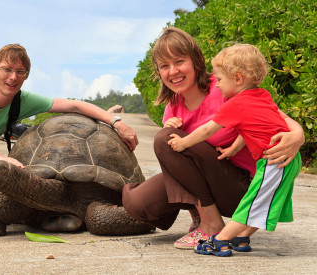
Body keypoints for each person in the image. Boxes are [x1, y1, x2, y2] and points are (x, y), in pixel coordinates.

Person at [0, 43, 139, 232]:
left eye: (20, 72)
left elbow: (74, 105)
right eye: (7, 69)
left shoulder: (20, 100)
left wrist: (116, 122)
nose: (13, 77)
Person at [121, 27, 304, 250]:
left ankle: (211, 225)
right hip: (209, 181)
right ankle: (199, 216)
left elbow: (277, 117)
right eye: (164, 66)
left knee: (165, 139)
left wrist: (297, 135)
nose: (173, 71)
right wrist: (172, 129)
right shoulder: (173, 108)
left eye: (179, 61)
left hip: (241, 188)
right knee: (138, 203)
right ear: (159, 72)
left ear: (196, 60)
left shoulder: (226, 86)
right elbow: (180, 163)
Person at [168, 43, 301, 256]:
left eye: (219, 80)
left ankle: (219, 241)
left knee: (254, 201)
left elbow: (207, 130)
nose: (217, 85)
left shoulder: (235, 104)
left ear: (237, 79)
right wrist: (232, 149)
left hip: (274, 160)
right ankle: (241, 237)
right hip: (289, 158)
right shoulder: (262, 95)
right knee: (269, 201)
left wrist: (183, 143)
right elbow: (247, 129)